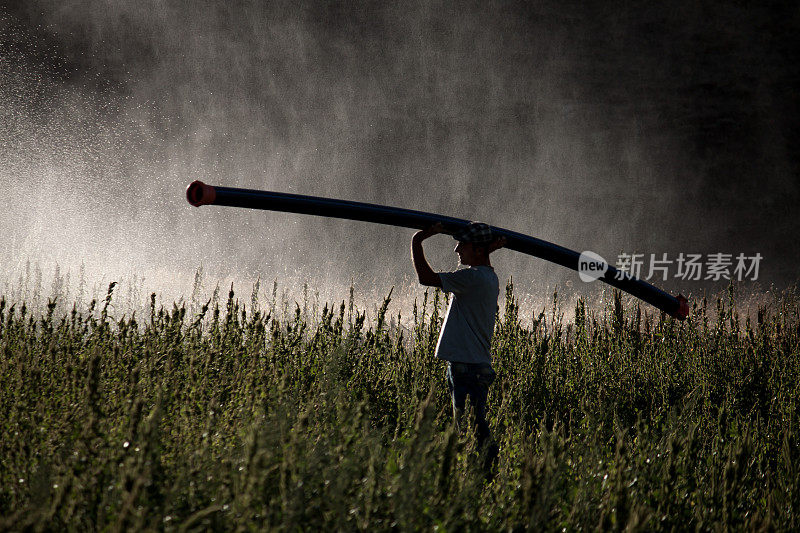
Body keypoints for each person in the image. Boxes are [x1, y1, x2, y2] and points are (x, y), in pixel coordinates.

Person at [411, 221, 506, 469]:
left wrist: (417, 240)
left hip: (467, 368)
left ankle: (488, 474)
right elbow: (480, 259)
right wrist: (486, 251)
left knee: (472, 430)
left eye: (462, 244)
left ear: (476, 249)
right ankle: (483, 474)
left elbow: (425, 278)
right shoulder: (487, 277)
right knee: (472, 427)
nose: (456, 250)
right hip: (472, 367)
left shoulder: (472, 278)